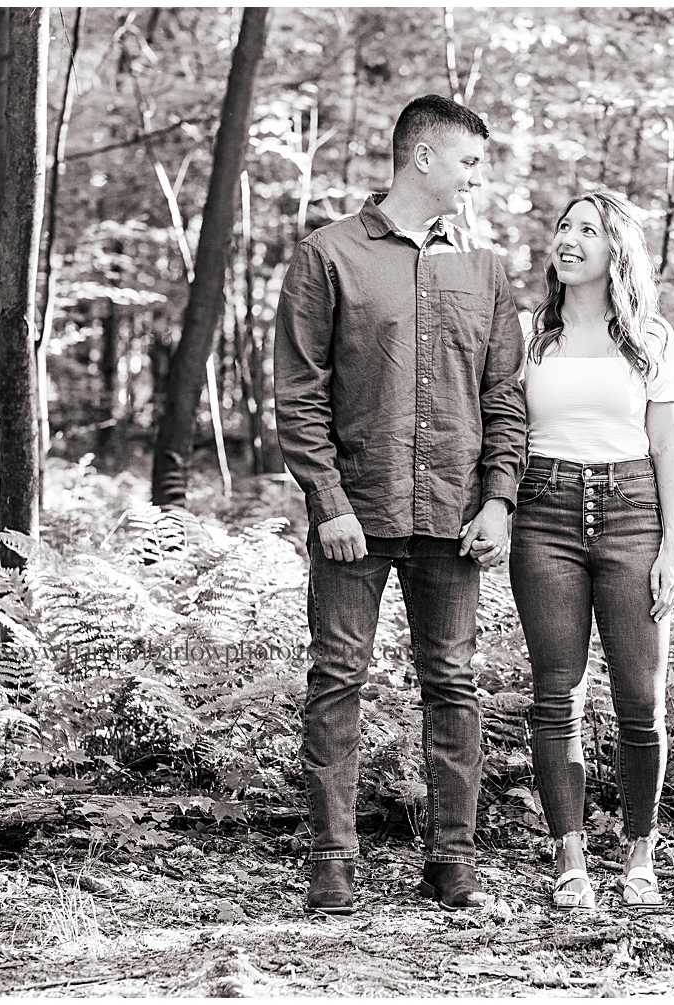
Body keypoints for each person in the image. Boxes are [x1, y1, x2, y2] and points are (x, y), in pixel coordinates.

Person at [273, 94, 525, 915]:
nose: (475, 180)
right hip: (357, 516)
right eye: (468, 163)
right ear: (422, 157)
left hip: (454, 520)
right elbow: (300, 394)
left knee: (453, 683)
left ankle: (452, 862)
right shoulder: (328, 255)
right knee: (336, 679)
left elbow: (504, 397)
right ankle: (333, 863)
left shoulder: (486, 270)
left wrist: (499, 501)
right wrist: (329, 502)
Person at [509, 191, 674, 910]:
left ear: (617, 248)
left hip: (634, 512)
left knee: (641, 699)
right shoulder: (528, 336)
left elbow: (669, 446)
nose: (569, 237)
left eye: (588, 228)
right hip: (545, 514)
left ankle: (641, 854)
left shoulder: (652, 338)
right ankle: (570, 859)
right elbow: (505, 433)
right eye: (563, 225)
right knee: (557, 697)